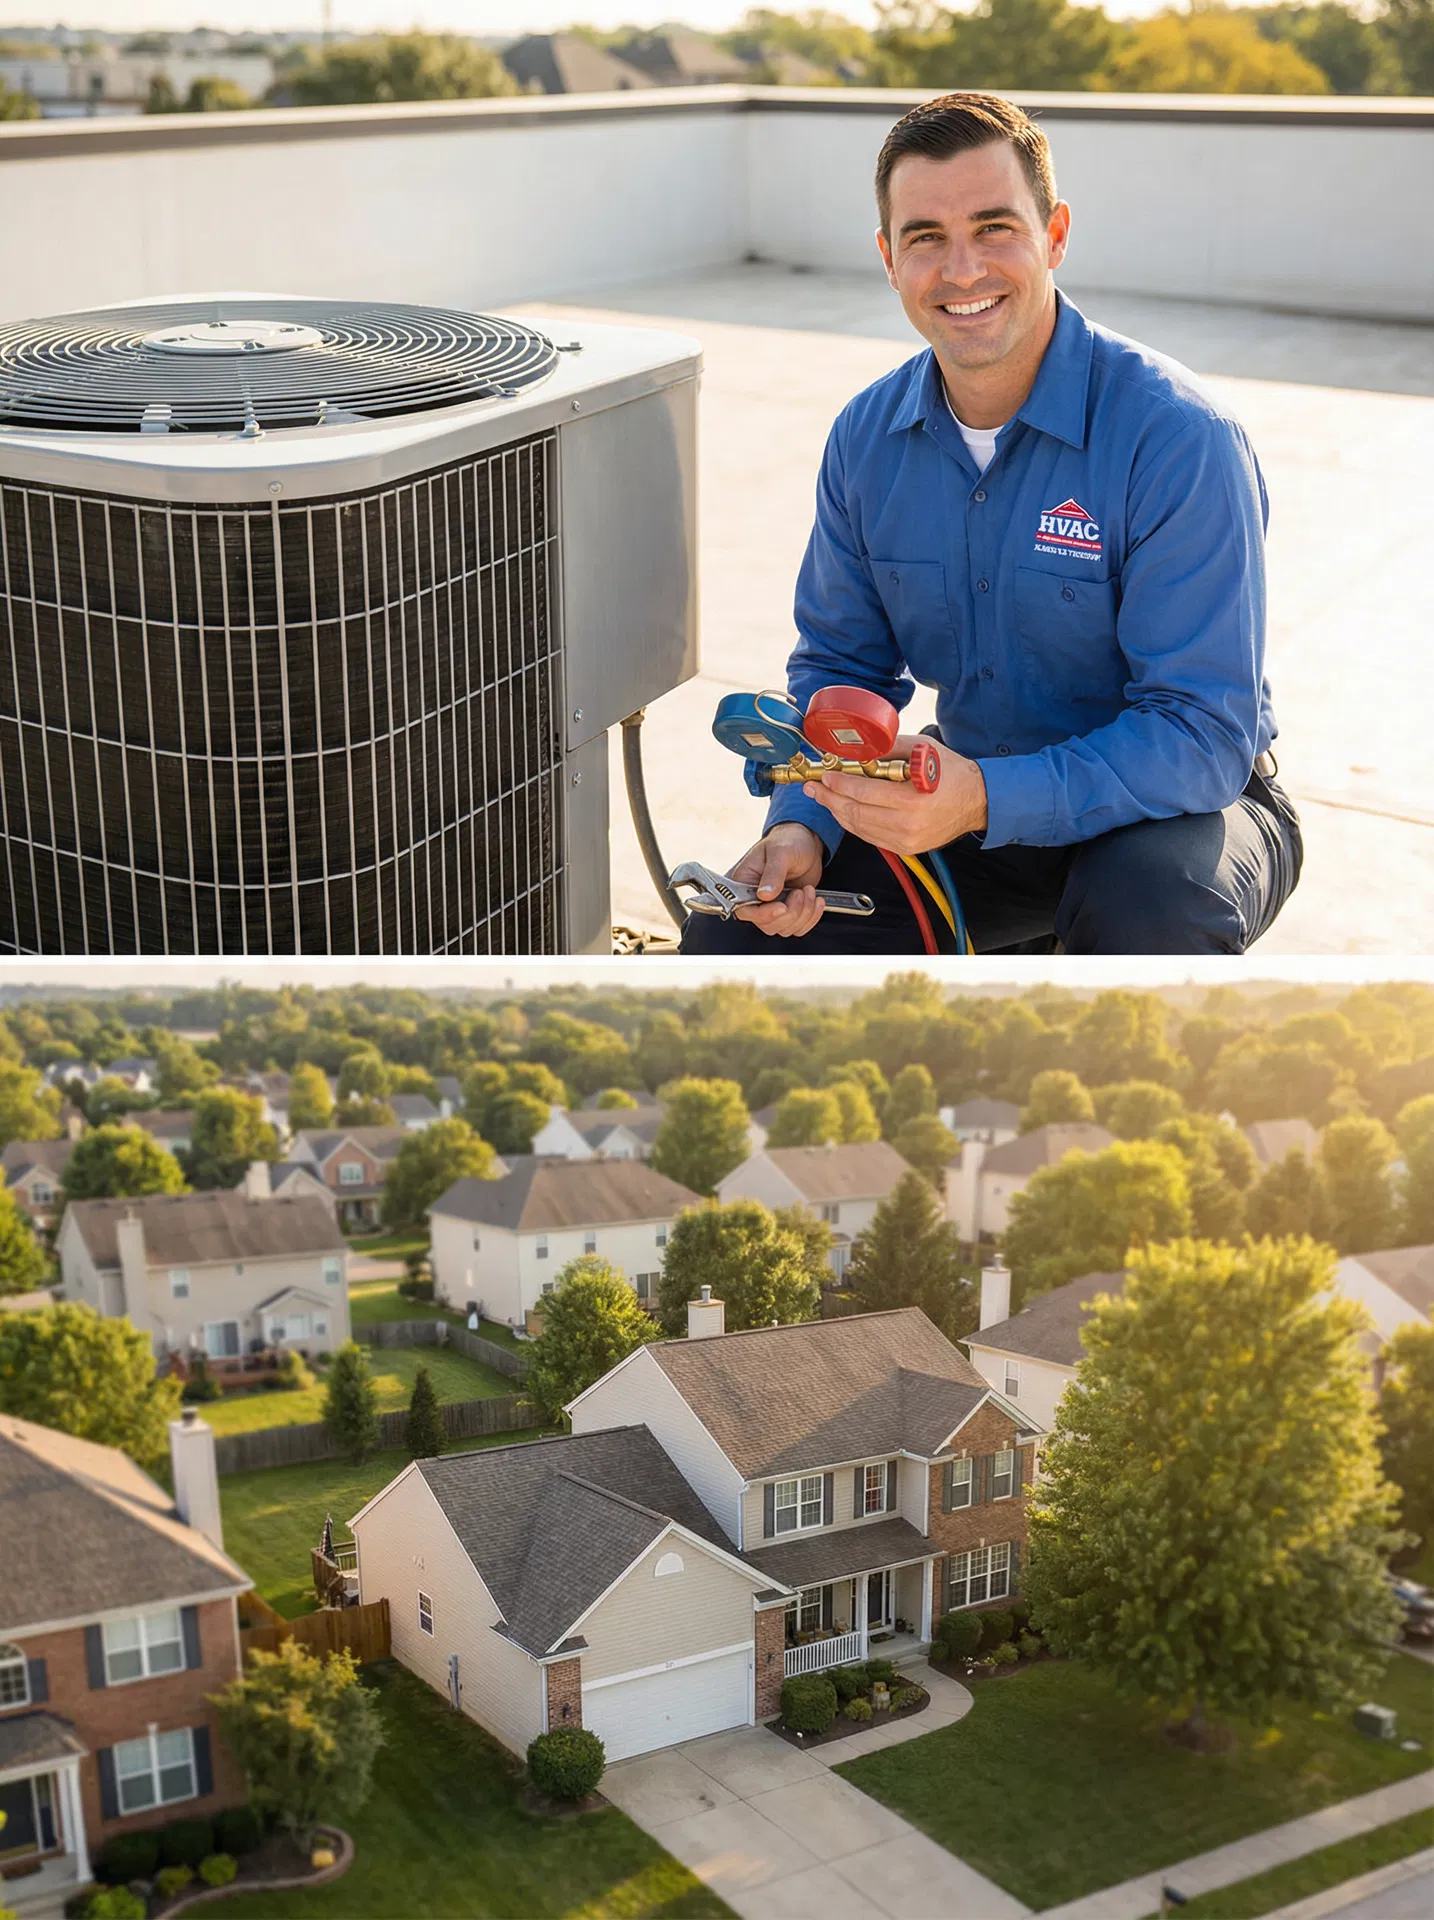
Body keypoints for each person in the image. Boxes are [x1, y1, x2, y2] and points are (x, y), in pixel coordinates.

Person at [680, 92, 1302, 956]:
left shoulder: (1178, 439)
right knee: (731, 940)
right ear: (889, 260)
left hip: (1183, 813)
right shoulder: (866, 440)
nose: (962, 270)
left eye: (995, 227)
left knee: (1146, 913)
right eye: (925, 237)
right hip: (965, 804)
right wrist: (804, 828)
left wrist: (983, 798)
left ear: (1054, 235)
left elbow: (1199, 733)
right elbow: (842, 666)